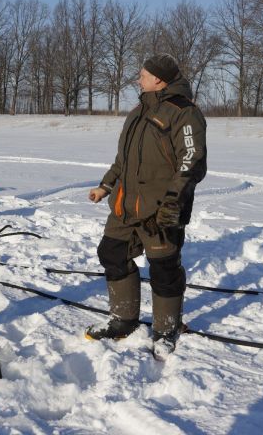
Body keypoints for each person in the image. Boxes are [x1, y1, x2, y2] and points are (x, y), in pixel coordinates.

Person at [86, 54, 207, 361]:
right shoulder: (139, 110)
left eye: (142, 74)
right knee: (112, 253)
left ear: (159, 79)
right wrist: (106, 185)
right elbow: (122, 158)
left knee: (164, 268)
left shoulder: (184, 113)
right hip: (126, 204)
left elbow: (191, 163)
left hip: (160, 208)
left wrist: (173, 202)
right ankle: (123, 319)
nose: (137, 78)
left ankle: (167, 329)